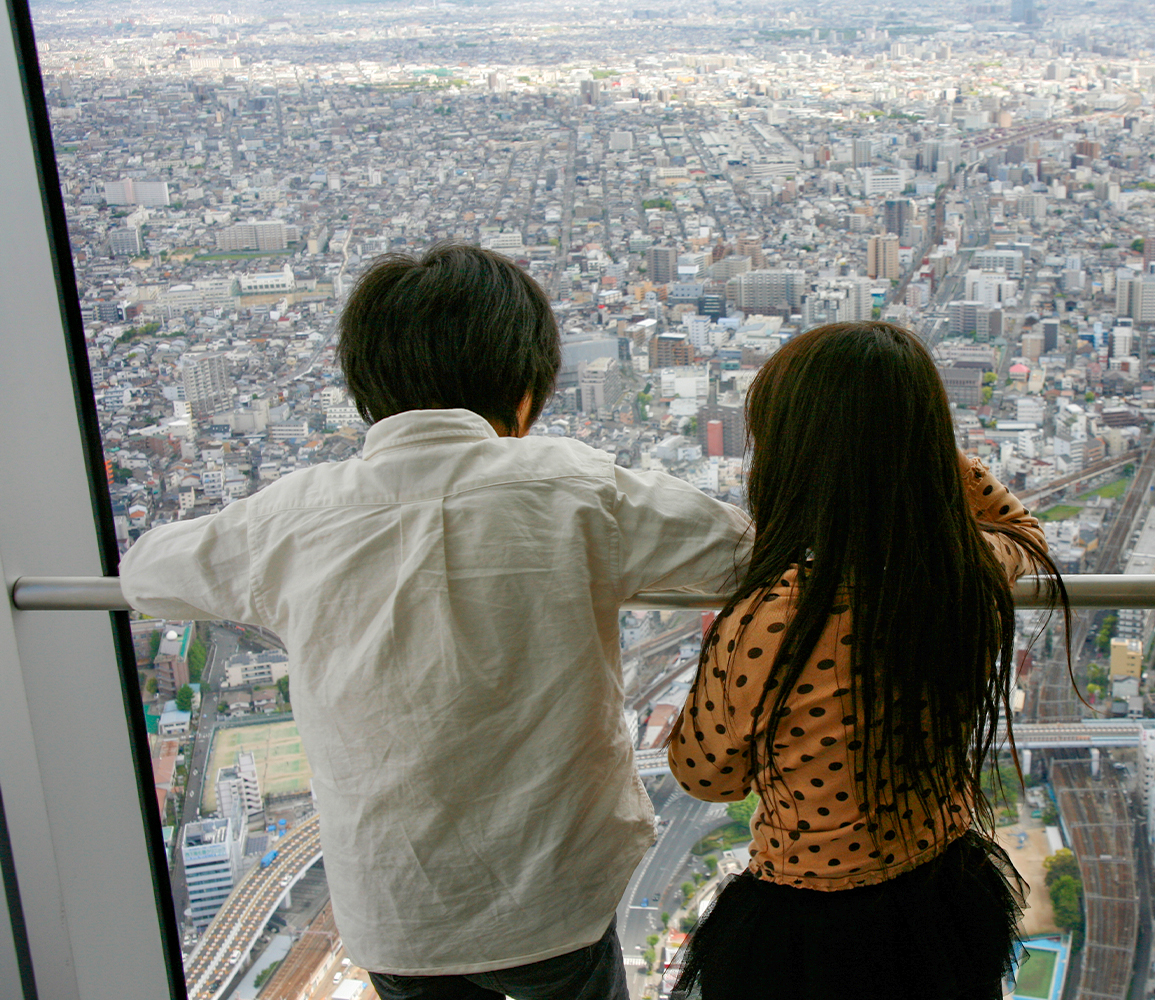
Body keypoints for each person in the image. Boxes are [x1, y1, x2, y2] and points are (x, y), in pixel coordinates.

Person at [121, 243, 751, 998]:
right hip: (558, 897)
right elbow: (742, 552)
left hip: (396, 913)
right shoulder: (573, 486)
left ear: (368, 387)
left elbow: (146, 573)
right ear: (525, 387)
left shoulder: (292, 516)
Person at [665, 321, 1067, 1000]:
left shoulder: (769, 620)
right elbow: (1022, 531)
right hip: (942, 901)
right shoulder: (961, 575)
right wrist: (926, 457)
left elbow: (706, 775)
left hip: (807, 933)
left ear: (790, 459)